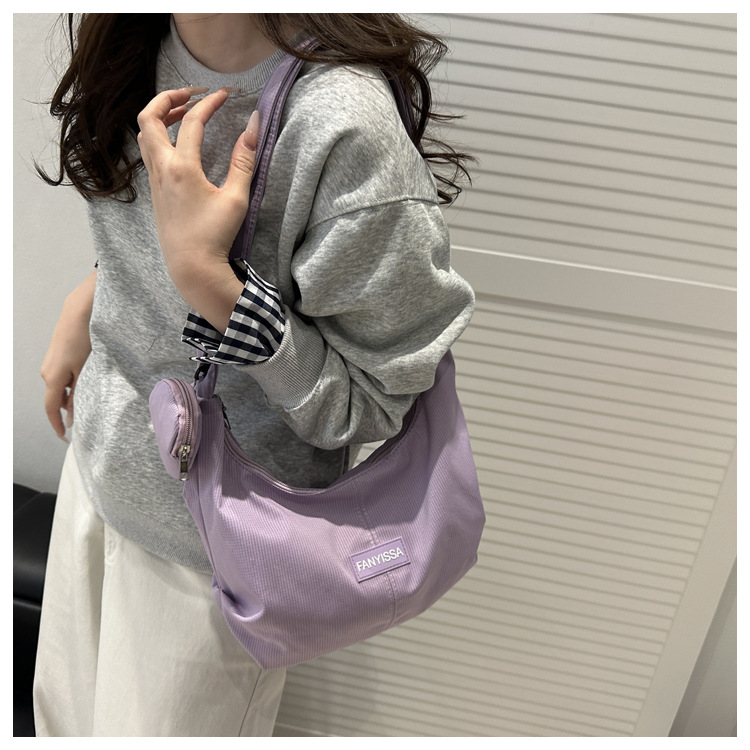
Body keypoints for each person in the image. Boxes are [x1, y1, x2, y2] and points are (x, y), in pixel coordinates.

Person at [33, 13, 475, 737]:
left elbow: (370, 402)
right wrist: (86, 304)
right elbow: (145, 230)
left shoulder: (341, 125)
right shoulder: (131, 44)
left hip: (214, 558)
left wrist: (210, 280)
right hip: (97, 475)